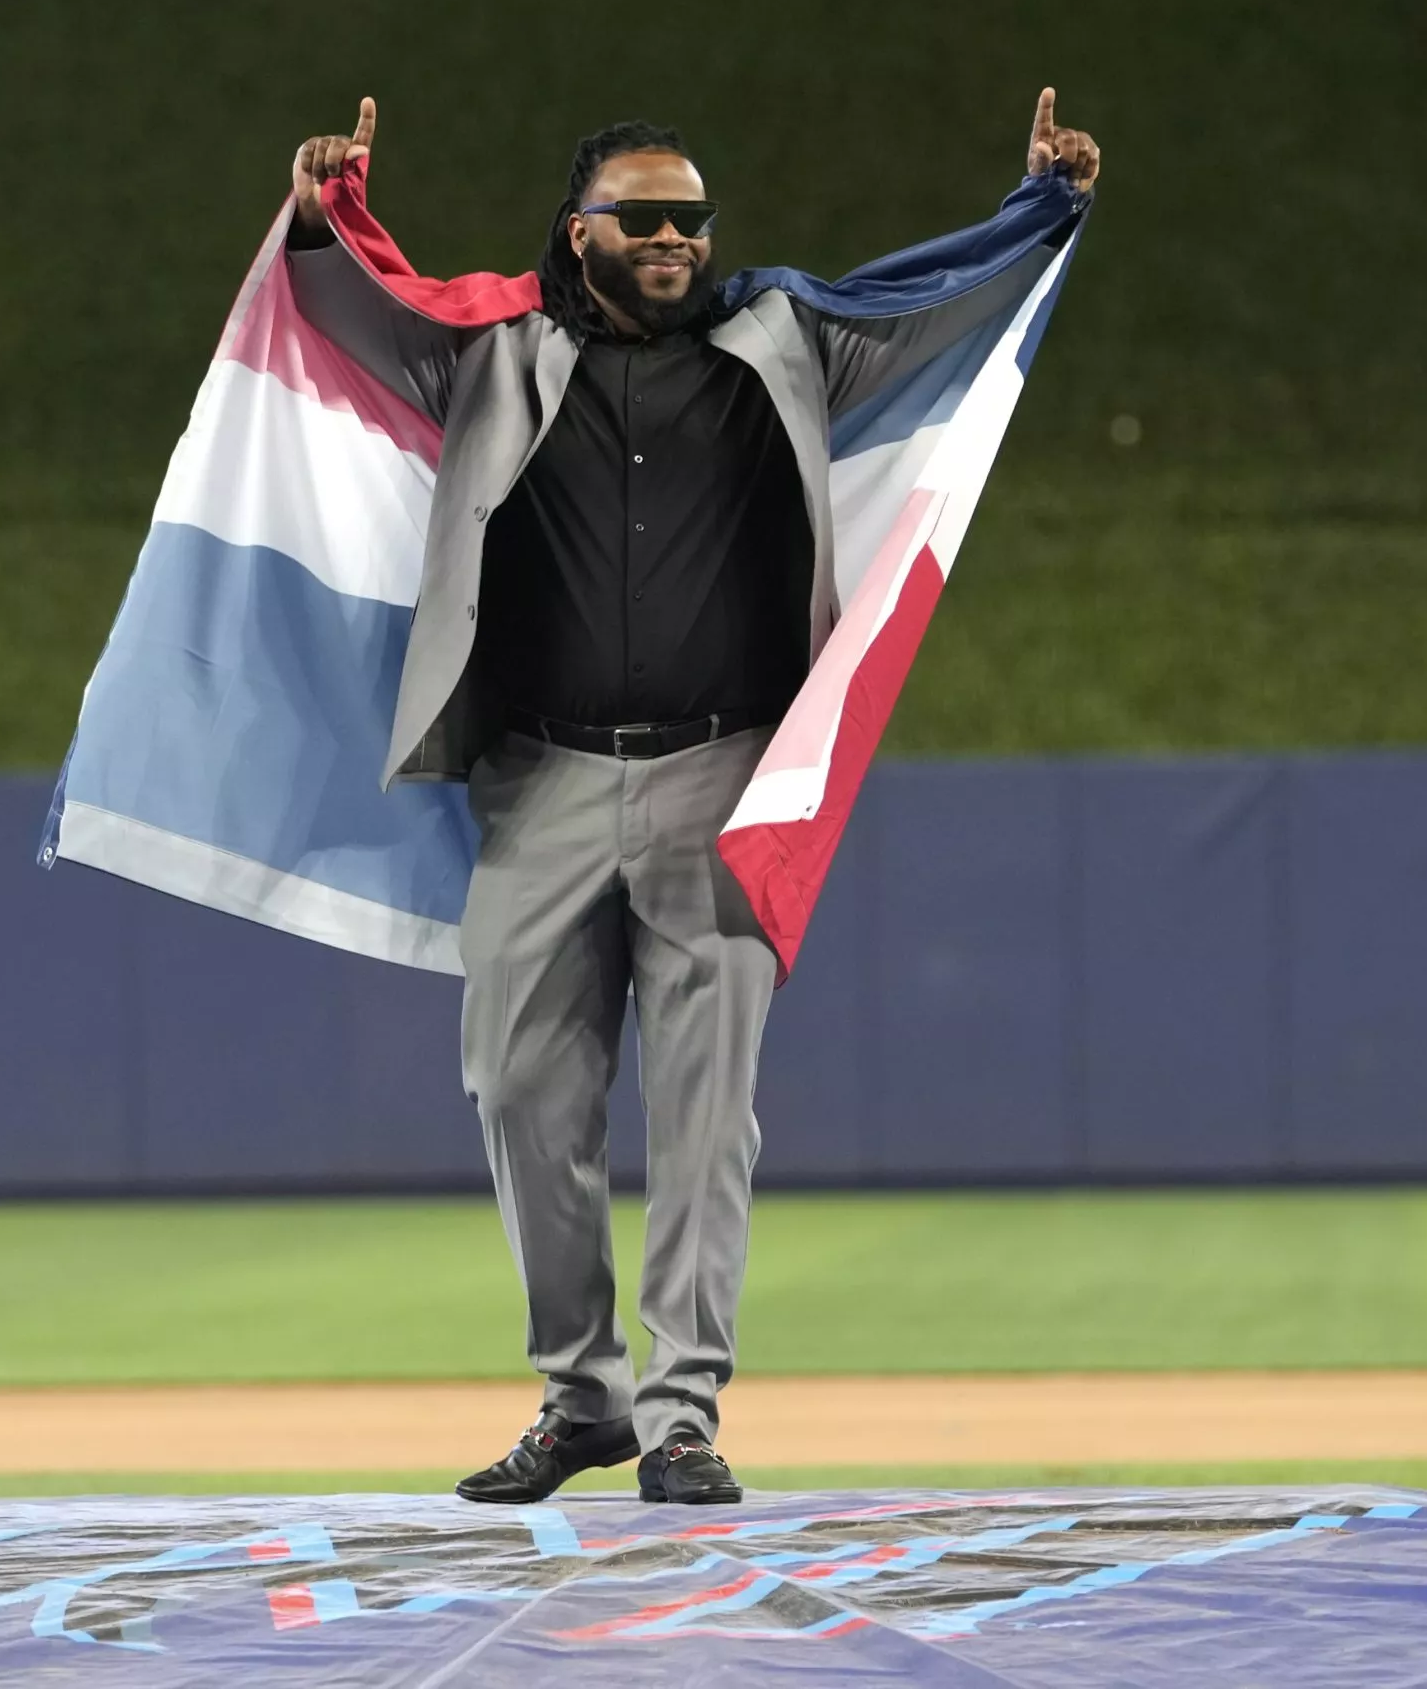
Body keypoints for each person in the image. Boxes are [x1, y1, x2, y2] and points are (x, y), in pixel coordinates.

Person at [283, 93, 1100, 1505]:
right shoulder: (493, 349)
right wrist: (321, 215)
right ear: (577, 230)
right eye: (642, 216)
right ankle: (581, 1395)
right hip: (539, 782)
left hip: (724, 778)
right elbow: (357, 319)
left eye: (691, 218)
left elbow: (935, 305)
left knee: (710, 1107)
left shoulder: (781, 337)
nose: (673, 238)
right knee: (523, 1093)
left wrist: (1041, 206)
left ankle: (681, 1416)